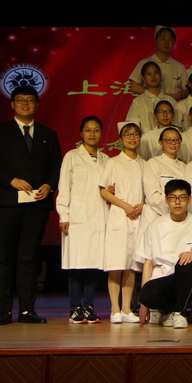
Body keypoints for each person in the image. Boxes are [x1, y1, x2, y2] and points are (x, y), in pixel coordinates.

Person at [0, 85, 62, 326]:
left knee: (29, 257)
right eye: (20, 100)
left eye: (29, 100)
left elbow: (57, 166)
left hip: (36, 203)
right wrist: (11, 180)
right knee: (4, 257)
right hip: (7, 202)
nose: (25, 104)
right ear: (12, 104)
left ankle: (27, 310)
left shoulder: (48, 133)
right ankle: (3, 312)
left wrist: (49, 185)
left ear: (37, 104)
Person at [57, 116, 110, 324]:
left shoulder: (106, 159)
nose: (92, 134)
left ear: (101, 134)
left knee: (93, 265)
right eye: (88, 130)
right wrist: (64, 214)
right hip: (78, 216)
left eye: (96, 130)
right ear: (81, 133)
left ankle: (88, 306)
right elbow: (64, 186)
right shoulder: (72, 156)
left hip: (99, 217)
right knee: (76, 264)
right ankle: (74, 308)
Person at [137, 179, 192, 329]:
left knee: (185, 264)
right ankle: (170, 311)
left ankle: (180, 313)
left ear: (189, 199)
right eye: (173, 198)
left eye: (182, 197)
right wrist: (144, 305)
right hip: (163, 279)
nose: (177, 202)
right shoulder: (155, 226)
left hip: (187, 280)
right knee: (146, 294)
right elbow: (148, 264)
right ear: (166, 200)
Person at [99, 121, 144, 324]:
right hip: (119, 215)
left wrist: (143, 205)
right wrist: (125, 206)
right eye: (127, 134)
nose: (132, 137)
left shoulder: (145, 164)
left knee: (131, 265)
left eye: (135, 134)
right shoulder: (113, 162)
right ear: (120, 139)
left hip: (138, 217)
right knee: (116, 264)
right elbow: (103, 190)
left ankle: (127, 309)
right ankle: (114, 309)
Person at [141, 127, 186, 238]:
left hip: (178, 217)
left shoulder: (184, 167)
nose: (173, 143)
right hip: (156, 215)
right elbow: (152, 195)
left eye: (176, 140)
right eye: (168, 140)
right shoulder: (153, 163)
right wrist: (172, 210)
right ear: (160, 142)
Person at [128, 26, 188, 100]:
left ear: (174, 43)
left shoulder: (179, 67)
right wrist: (156, 94)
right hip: (149, 105)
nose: (167, 42)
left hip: (172, 105)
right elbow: (134, 86)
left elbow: (187, 90)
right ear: (155, 41)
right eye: (163, 38)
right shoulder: (144, 63)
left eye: (170, 39)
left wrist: (175, 96)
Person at [126, 61, 175, 134]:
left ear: (160, 76)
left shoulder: (171, 100)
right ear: (143, 79)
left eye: (156, 73)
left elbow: (177, 125)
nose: (153, 76)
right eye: (149, 74)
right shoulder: (138, 101)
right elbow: (132, 127)